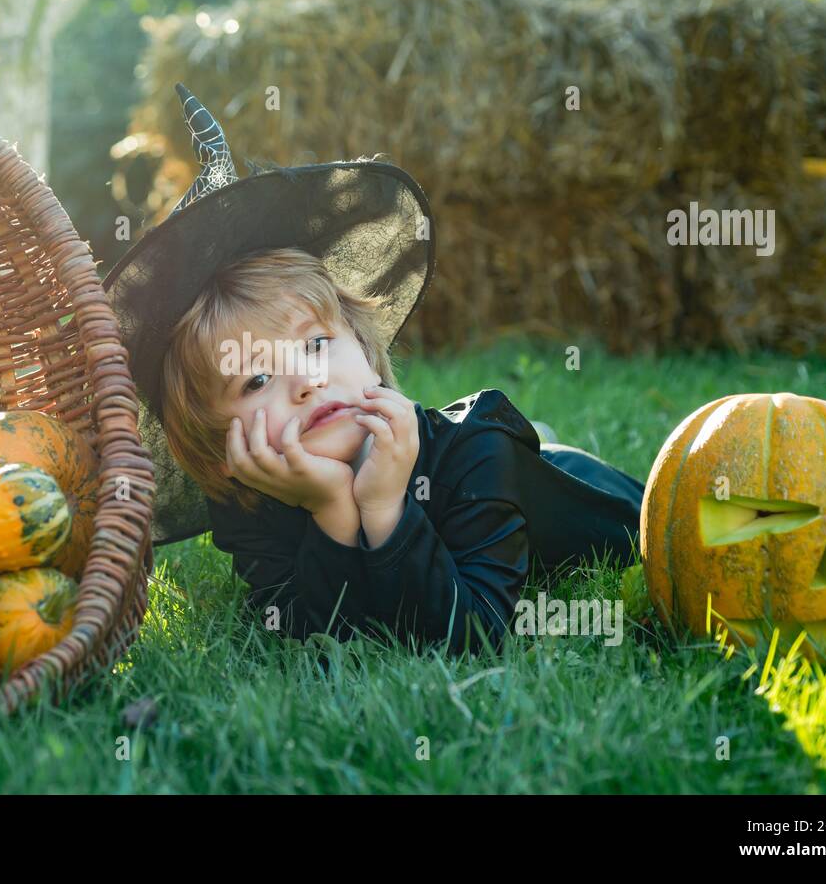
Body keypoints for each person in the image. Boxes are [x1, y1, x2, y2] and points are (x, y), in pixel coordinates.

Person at [103, 85, 643, 655]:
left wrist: (386, 507)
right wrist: (333, 507)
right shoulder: (253, 499)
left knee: (546, 468)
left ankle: (548, 457)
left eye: (315, 345)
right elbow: (308, 636)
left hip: (607, 509)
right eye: (255, 379)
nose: (306, 381)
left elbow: (473, 636)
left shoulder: (473, 454)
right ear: (217, 444)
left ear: (363, 347)